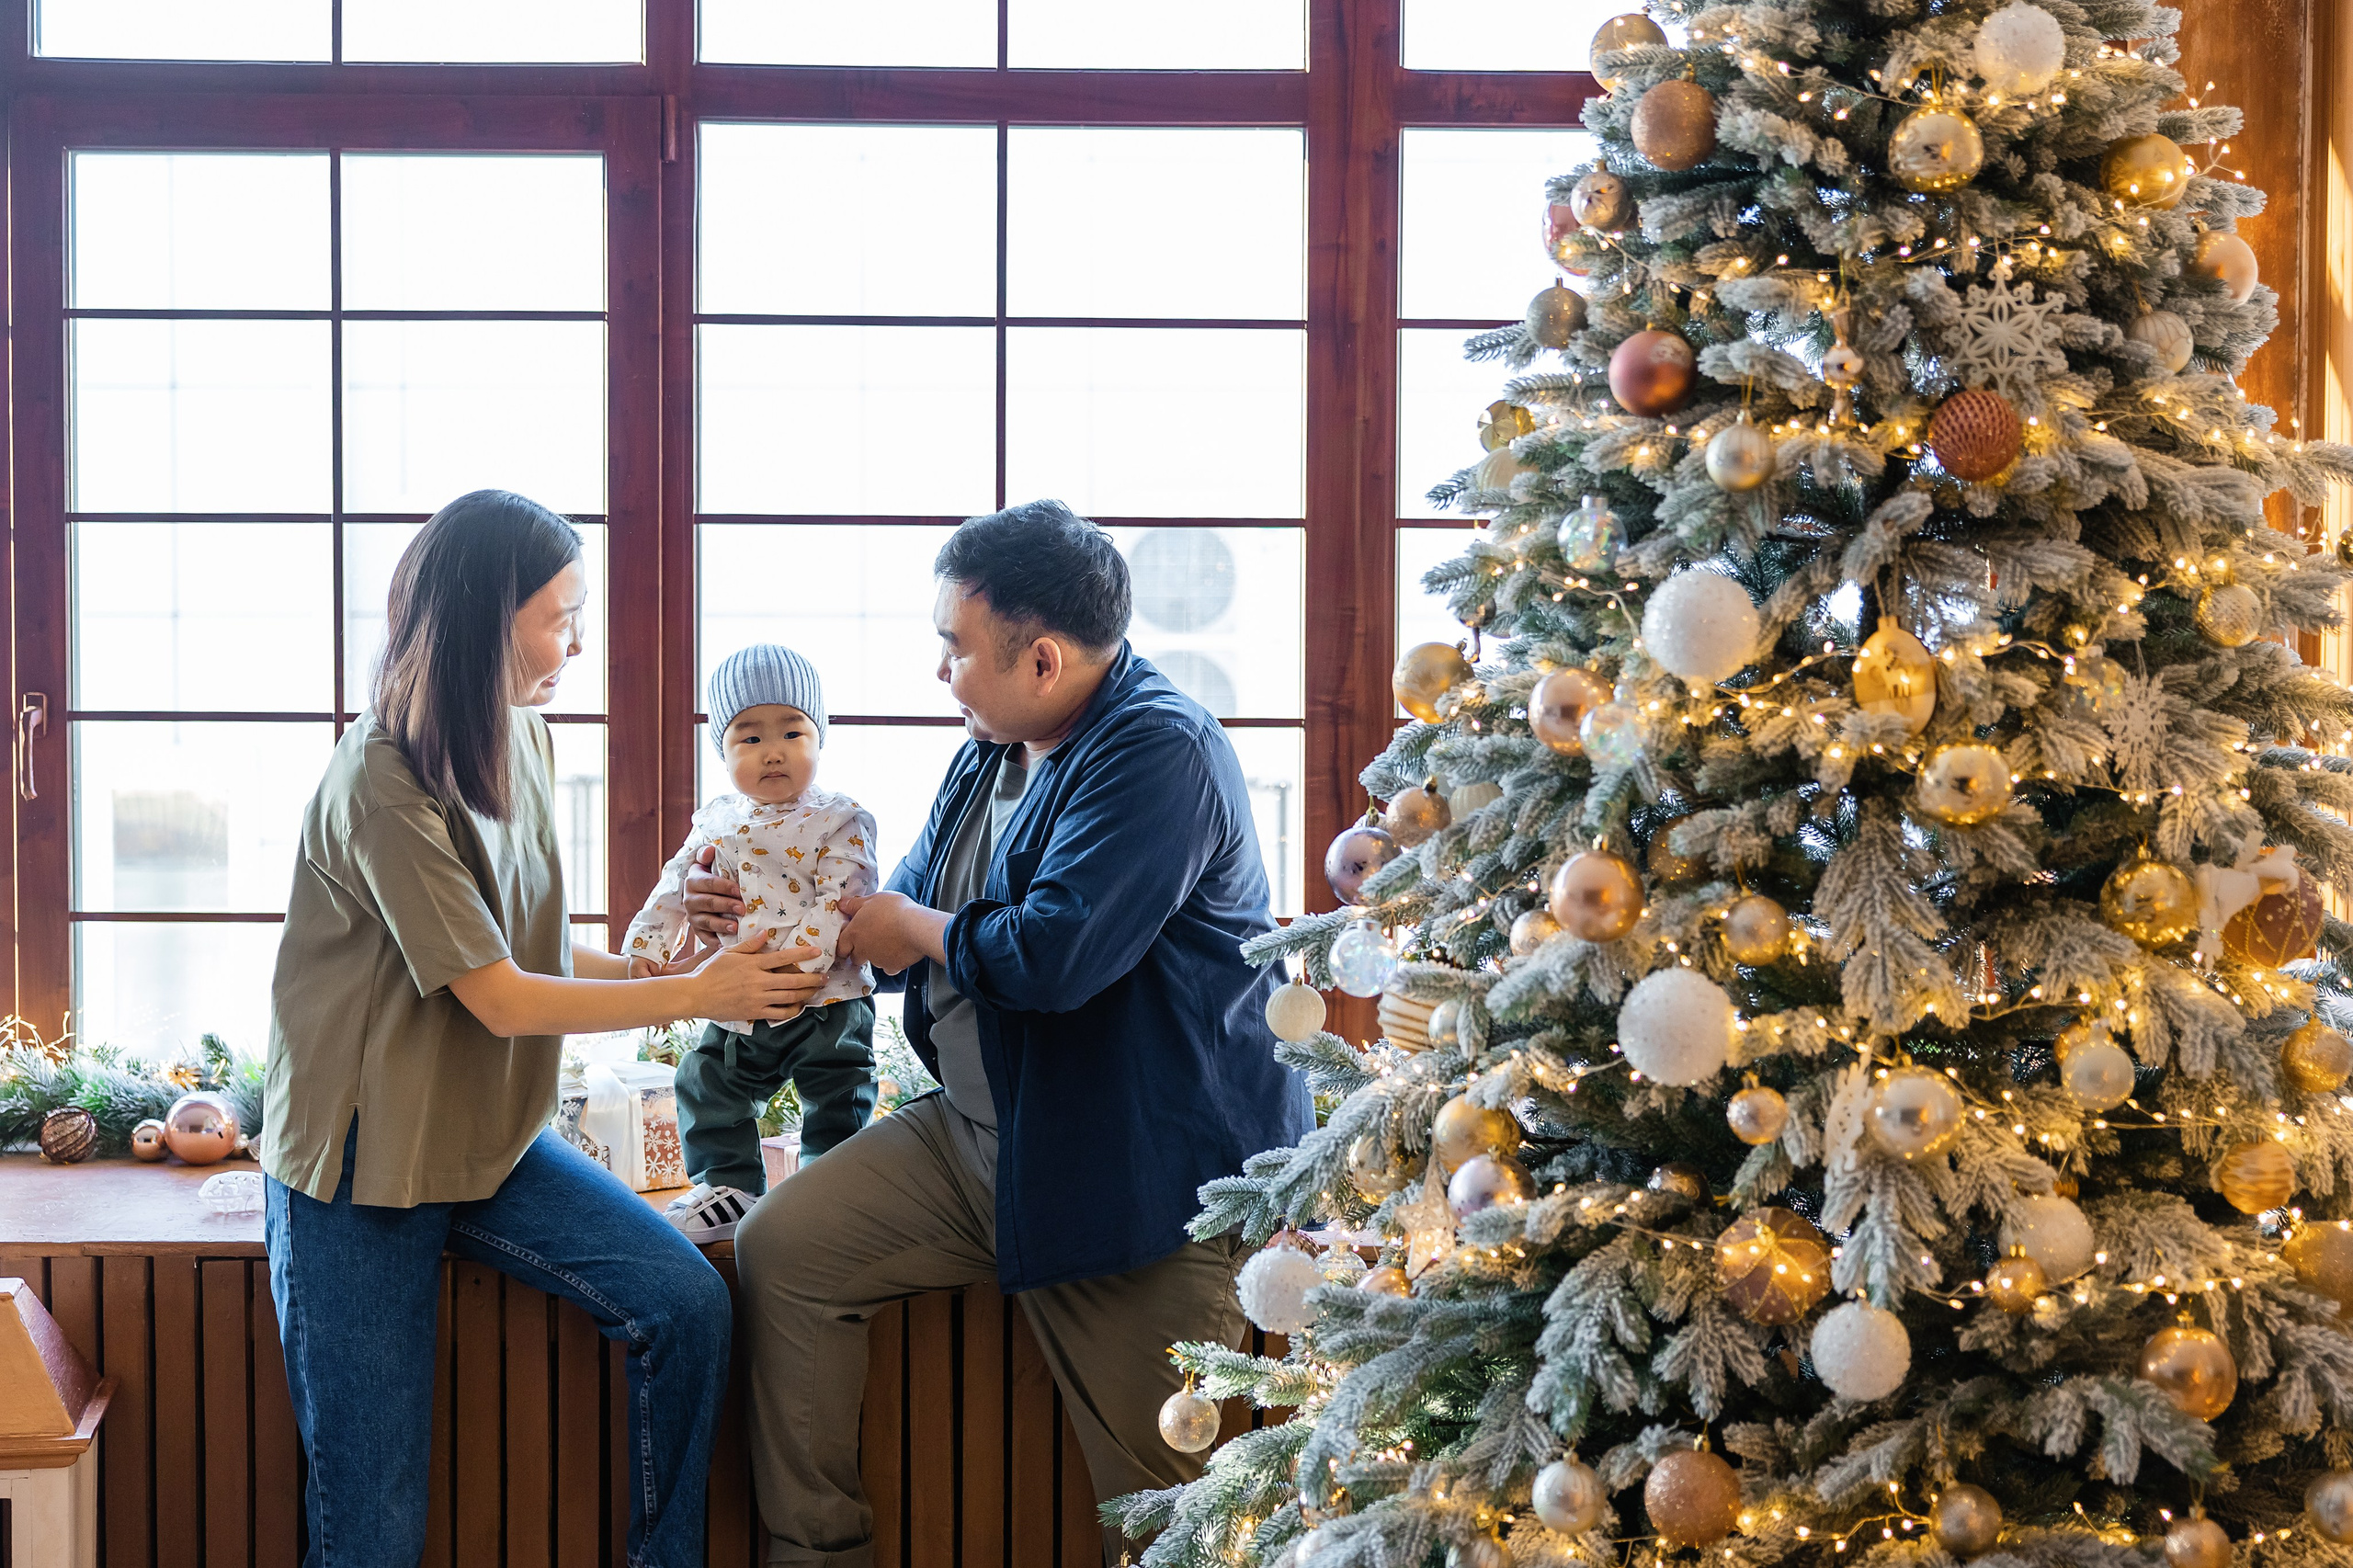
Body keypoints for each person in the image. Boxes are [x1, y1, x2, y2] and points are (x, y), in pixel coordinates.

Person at [702, 499, 1314, 1568]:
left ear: (1040, 658)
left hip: (1136, 1167)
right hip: (983, 1133)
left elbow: (1054, 954)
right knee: (783, 1249)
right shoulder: (990, 747)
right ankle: (816, 1554)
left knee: (1171, 1513)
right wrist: (760, 912)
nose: (941, 672)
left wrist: (912, 927)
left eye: (954, 648)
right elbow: (899, 905)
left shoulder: (1159, 750)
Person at [260, 489, 830, 1568]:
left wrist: (667, 965)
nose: (578, 637)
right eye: (561, 612)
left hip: (484, 1138)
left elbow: (528, 945)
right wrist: (698, 997)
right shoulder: (382, 781)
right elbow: (501, 996)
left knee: (686, 1305)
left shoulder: (521, 735)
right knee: (372, 1522)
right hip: (358, 1167)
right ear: (487, 616)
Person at [622, 643, 881, 1244]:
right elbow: (677, 882)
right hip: (741, 996)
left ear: (819, 740)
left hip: (827, 996)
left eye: (792, 731)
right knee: (708, 1077)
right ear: (723, 750)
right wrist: (650, 945)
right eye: (748, 738)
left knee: (839, 1088)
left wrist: (797, 970)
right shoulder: (716, 819)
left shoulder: (842, 817)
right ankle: (729, 1188)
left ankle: (831, 1194)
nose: (773, 752)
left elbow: (840, 898)